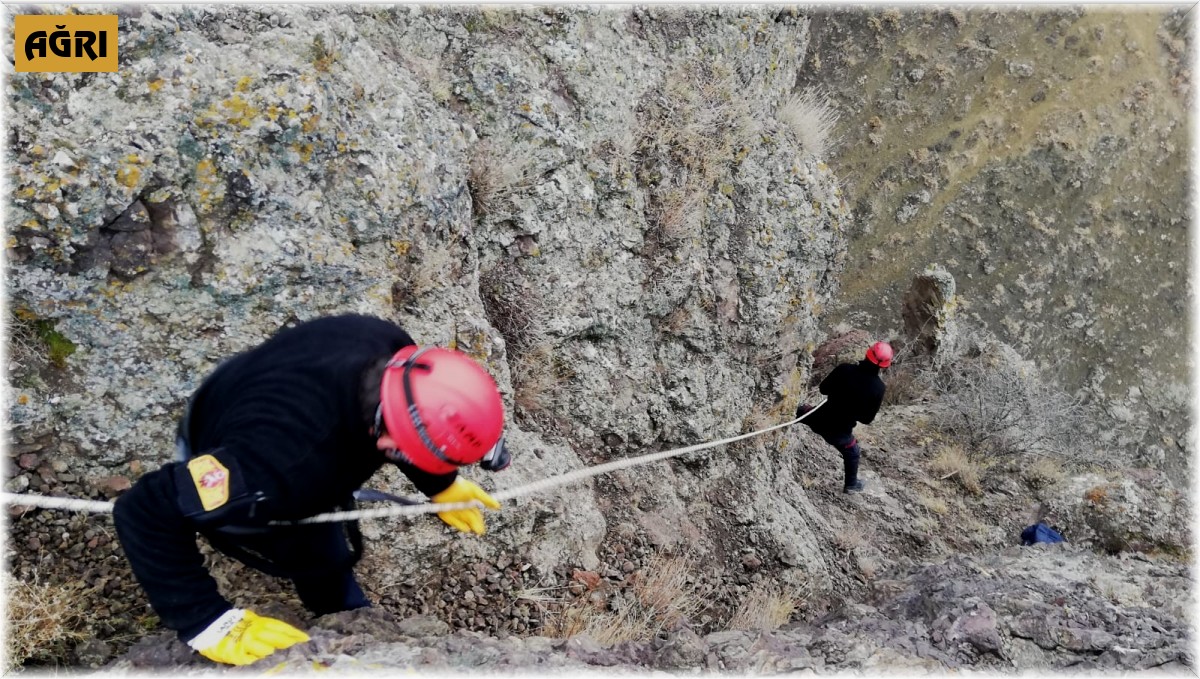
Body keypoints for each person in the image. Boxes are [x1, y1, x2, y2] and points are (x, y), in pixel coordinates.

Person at [113, 314, 512, 666]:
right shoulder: (279, 465)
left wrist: (441, 483)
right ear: (389, 445)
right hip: (239, 444)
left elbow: (410, 416)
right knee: (307, 543)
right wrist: (209, 622)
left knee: (322, 549)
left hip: (248, 387)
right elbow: (144, 509)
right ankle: (338, 605)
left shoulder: (388, 344)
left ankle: (336, 606)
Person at [796, 341, 891, 494]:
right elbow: (867, 419)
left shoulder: (845, 369)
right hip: (840, 432)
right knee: (853, 453)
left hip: (817, 418)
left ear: (868, 353)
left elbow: (823, 389)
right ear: (885, 365)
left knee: (795, 411)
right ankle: (851, 484)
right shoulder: (879, 388)